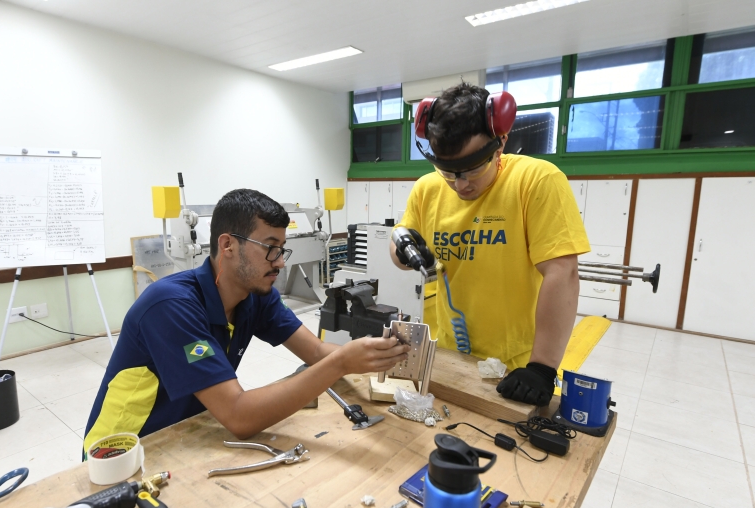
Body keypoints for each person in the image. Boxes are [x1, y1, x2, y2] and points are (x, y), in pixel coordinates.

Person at [83, 189, 409, 457]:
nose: (280, 262)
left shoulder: (255, 295)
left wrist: (372, 354)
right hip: (124, 452)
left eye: (282, 249)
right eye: (270, 248)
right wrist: (340, 362)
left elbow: (317, 354)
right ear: (228, 245)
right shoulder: (170, 306)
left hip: (188, 434)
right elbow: (239, 416)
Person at [390, 82, 589, 406]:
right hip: (447, 356)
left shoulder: (536, 181)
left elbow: (562, 272)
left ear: (501, 144)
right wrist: (401, 249)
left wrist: (542, 366)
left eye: (472, 169)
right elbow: (400, 245)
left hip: (517, 367)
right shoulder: (427, 189)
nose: (460, 184)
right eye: (448, 170)